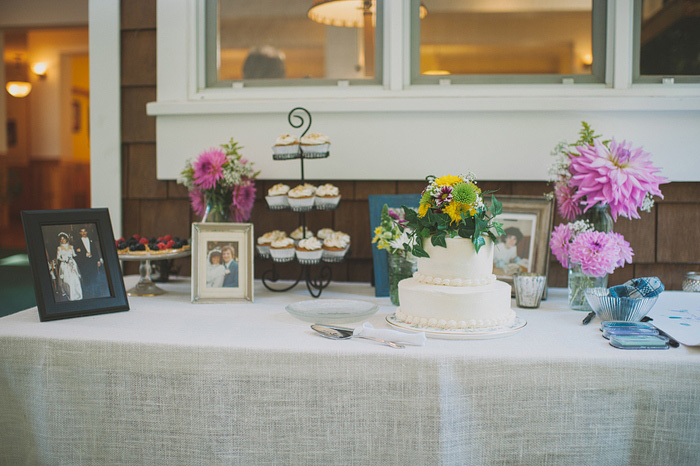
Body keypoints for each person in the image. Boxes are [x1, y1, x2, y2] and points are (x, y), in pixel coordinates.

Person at [74, 226, 107, 299]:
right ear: (79, 233)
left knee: (94, 277)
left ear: (87, 232)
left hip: (92, 262)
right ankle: (88, 295)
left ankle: (96, 294)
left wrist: (98, 260)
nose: (83, 233)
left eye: (85, 231)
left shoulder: (91, 240)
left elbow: (95, 251)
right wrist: (84, 254)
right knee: (86, 279)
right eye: (82, 231)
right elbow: (76, 254)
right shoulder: (77, 242)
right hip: (84, 263)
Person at [56, 233, 83, 301]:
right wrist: (65, 260)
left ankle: (78, 295)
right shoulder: (59, 248)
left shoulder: (71, 246)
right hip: (65, 265)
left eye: (64, 239)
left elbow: (74, 254)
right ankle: (70, 295)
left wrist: (79, 251)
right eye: (61, 239)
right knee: (67, 281)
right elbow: (58, 257)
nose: (63, 240)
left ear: (66, 239)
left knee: (75, 279)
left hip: (72, 264)